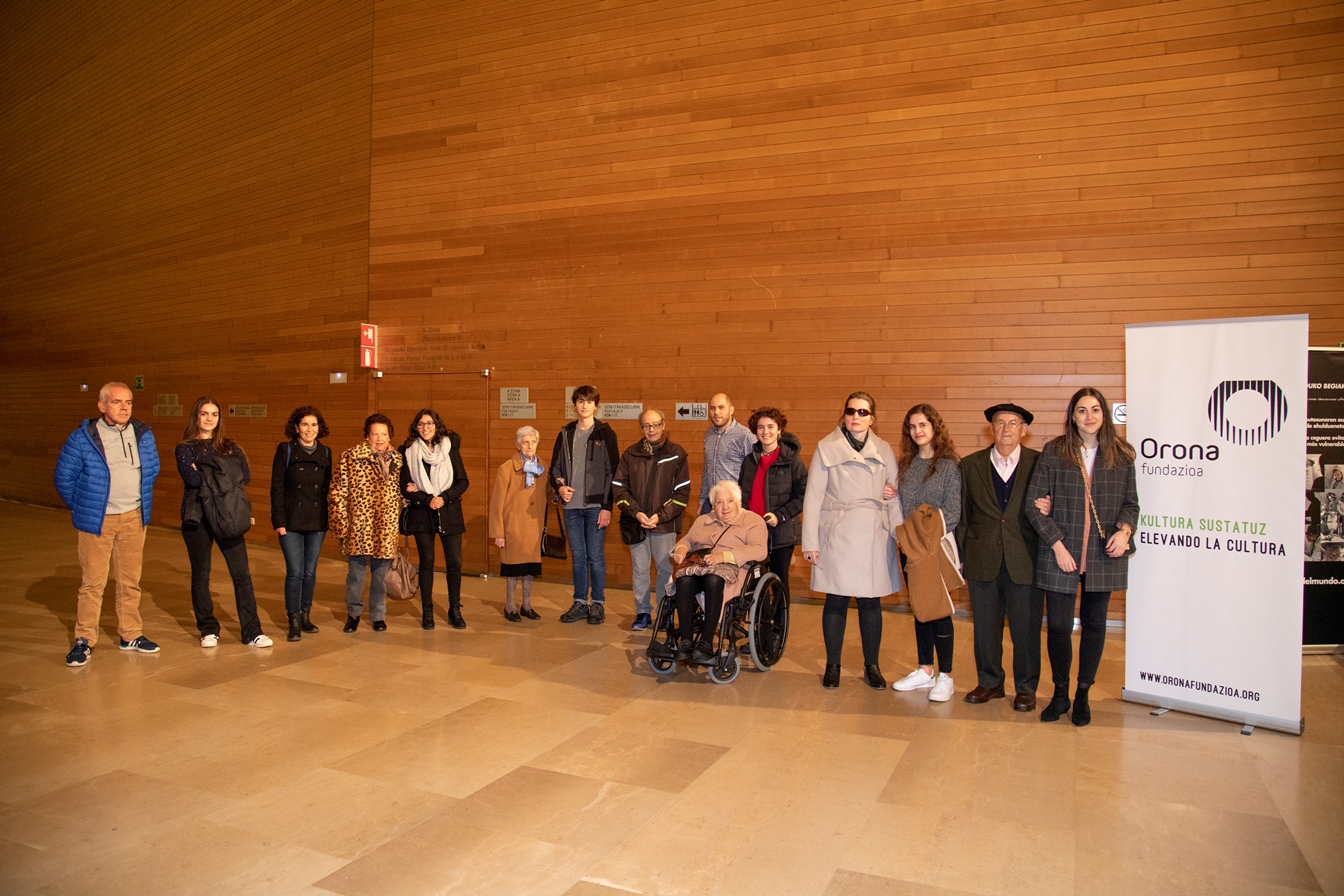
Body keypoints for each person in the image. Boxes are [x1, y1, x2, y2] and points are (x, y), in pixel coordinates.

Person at [1026, 387, 1139, 727]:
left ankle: (1083, 693)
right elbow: (1033, 505)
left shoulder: (1121, 454)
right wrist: (1057, 545)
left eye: (1095, 409)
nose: (1089, 416)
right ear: (1072, 417)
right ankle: (1060, 693)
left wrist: (1125, 531)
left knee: (1094, 624)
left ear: (1104, 415)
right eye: (1081, 410)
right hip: (1061, 553)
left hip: (1103, 555)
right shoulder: (1054, 451)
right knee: (1059, 626)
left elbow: (1131, 504)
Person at [55, 382, 163, 666]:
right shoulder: (82, 438)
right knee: (93, 583)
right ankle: (84, 639)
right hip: (98, 520)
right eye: (117, 402)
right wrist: (85, 505)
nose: (124, 407)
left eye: (128, 402)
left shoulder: (143, 434)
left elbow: (152, 470)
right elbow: (64, 478)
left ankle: (131, 634)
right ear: (101, 405)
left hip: (133, 517)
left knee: (130, 581)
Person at [801, 391, 903, 690]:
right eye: (851, 411)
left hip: (874, 534)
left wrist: (900, 535)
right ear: (844, 414)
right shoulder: (826, 448)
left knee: (871, 603)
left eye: (863, 412)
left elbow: (894, 494)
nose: (856, 417)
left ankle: (872, 666)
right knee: (836, 600)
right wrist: (810, 541)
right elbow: (813, 496)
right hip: (837, 533)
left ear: (872, 418)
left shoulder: (884, 449)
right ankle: (833, 665)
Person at [956, 403, 1043, 712]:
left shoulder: (1039, 463)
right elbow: (963, 515)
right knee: (985, 628)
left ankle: (1026, 688)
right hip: (982, 557)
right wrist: (961, 556)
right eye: (1000, 422)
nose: (1006, 428)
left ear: (1024, 430)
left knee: (1026, 629)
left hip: (1025, 558)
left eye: (1013, 423)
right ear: (991, 428)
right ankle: (990, 682)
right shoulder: (970, 465)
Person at [176, 396, 272, 648]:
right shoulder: (185, 448)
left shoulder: (231, 447)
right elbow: (192, 479)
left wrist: (204, 468)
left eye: (214, 414)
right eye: (204, 413)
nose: (209, 419)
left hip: (228, 514)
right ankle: (208, 629)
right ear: (196, 416)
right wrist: (223, 471)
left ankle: (252, 631)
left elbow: (244, 476)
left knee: (242, 575)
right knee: (201, 575)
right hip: (197, 517)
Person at [891, 404, 963, 703]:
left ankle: (946, 676)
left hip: (935, 548)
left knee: (938, 610)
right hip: (910, 548)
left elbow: (953, 510)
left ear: (934, 426)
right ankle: (925, 670)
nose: (917, 431)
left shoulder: (949, 465)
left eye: (922, 425)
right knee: (920, 608)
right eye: (912, 426)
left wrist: (924, 536)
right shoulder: (905, 465)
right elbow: (900, 506)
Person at [669, 481, 768, 664]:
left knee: (713, 579)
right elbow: (687, 540)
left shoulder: (753, 521)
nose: (725, 507)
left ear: (738, 502)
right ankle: (686, 642)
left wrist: (724, 556)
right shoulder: (703, 520)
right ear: (713, 505)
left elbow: (760, 550)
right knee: (684, 580)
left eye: (730, 501)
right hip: (701, 566)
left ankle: (706, 643)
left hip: (735, 570)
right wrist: (681, 548)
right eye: (719, 502)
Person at [613, 409, 691, 630]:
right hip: (636, 523)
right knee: (640, 570)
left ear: (663, 425)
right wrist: (636, 513)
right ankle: (643, 612)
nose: (652, 430)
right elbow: (619, 488)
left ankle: (665, 613)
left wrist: (660, 516)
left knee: (665, 570)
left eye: (656, 425)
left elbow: (682, 493)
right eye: (647, 426)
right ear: (641, 428)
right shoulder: (630, 454)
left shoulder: (677, 453)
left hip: (664, 525)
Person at [549, 385, 620, 625]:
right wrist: (559, 487)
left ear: (596, 405)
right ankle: (579, 602)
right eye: (580, 401)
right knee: (578, 557)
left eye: (589, 401)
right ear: (575, 405)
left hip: (596, 507)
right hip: (571, 508)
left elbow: (613, 472)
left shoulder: (606, 434)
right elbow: (554, 468)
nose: (585, 405)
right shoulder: (565, 433)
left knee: (595, 556)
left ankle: (597, 603)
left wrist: (607, 506)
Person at [329, 414, 403, 633]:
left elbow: (401, 492)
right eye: (375, 434)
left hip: (386, 527)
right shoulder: (351, 457)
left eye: (383, 434)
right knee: (356, 575)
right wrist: (341, 525)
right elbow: (337, 492)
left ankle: (378, 615)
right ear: (367, 436)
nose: (379, 439)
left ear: (389, 436)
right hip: (359, 528)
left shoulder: (398, 461)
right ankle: (353, 614)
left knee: (380, 577)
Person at [400, 409, 470, 630]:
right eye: (421, 424)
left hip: (449, 511)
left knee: (454, 563)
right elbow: (405, 486)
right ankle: (427, 611)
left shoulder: (449, 447)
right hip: (422, 514)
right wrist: (427, 499)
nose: (425, 427)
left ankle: (454, 609)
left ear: (437, 425)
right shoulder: (408, 450)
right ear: (416, 427)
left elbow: (462, 481)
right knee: (427, 563)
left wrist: (443, 498)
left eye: (429, 423)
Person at [271, 406, 333, 641]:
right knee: (295, 572)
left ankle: (305, 615)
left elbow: (327, 489)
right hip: (291, 522)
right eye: (305, 424)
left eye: (313, 425)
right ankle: (293, 620)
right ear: (296, 427)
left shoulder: (326, 452)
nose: (309, 429)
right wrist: (279, 520)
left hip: (316, 522)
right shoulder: (285, 450)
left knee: (310, 572)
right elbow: (277, 487)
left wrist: (329, 520)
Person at [737, 406, 807, 600]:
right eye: (760, 427)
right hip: (753, 531)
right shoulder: (749, 461)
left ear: (779, 430)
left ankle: (779, 620)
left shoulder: (792, 461)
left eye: (770, 426)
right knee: (754, 583)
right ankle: (761, 620)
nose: (765, 431)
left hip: (781, 532)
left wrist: (779, 515)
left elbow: (803, 495)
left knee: (778, 582)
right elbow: (742, 493)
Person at [489, 425, 549, 621]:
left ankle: (527, 605)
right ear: (518, 445)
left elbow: (548, 494)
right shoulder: (506, 468)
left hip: (534, 527)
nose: (530, 446)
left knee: (530, 569)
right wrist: (498, 532)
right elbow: (497, 502)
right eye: (525, 442)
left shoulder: (543, 467)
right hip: (513, 528)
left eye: (533, 442)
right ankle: (510, 607)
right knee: (513, 569)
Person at [699, 393, 756, 514]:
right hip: (711, 501)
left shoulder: (745, 436)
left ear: (731, 410)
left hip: (733, 504)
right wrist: (702, 500)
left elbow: (755, 471)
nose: (716, 412)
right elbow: (707, 469)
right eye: (712, 408)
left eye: (721, 407)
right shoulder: (709, 434)